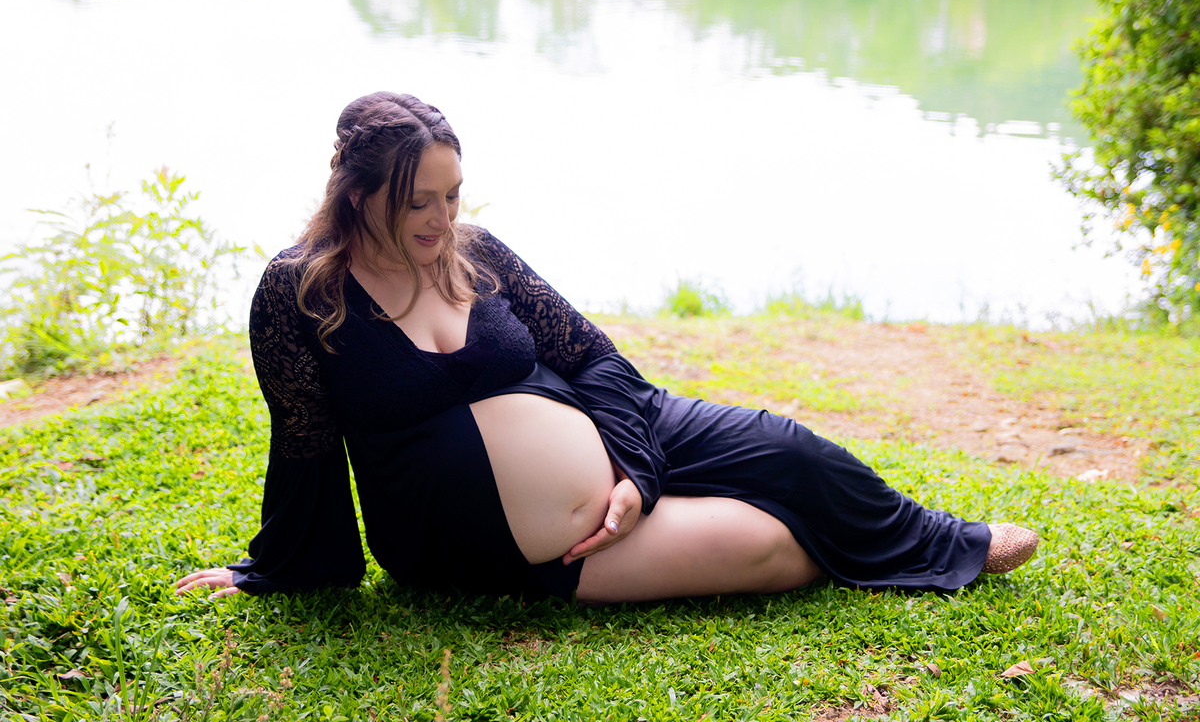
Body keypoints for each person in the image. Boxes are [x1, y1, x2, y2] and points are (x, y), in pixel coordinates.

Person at [175, 91, 1037, 605]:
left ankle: (944, 543)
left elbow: (592, 356)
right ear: (358, 194)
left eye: (452, 195)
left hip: (612, 430)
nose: (443, 220)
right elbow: (305, 444)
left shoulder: (474, 252)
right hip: (478, 536)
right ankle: (851, 548)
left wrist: (637, 472)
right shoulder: (302, 294)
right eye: (418, 204)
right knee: (772, 551)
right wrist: (280, 570)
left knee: (789, 448)